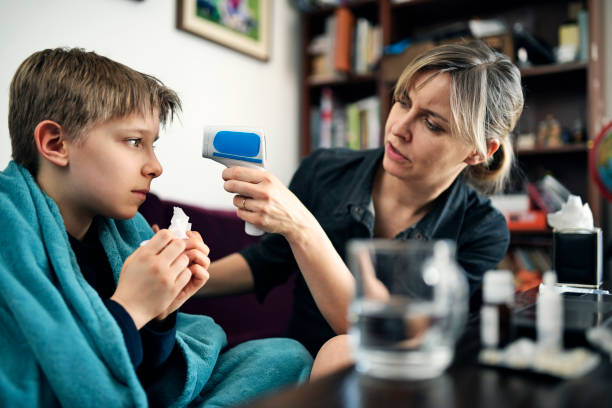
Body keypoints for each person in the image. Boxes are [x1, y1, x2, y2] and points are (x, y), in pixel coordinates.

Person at [0, 47, 312, 407]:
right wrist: (131, 308)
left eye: (153, 145)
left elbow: (148, 377)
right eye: (134, 142)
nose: (155, 166)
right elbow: (31, 387)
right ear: (55, 144)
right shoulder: (12, 232)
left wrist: (162, 313)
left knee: (284, 357)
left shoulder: (125, 232)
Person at [200, 40, 524, 367]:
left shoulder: (483, 230)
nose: (398, 128)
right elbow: (267, 262)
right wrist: (182, 279)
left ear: (479, 150)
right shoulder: (324, 169)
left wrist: (301, 226)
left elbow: (381, 334)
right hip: (298, 367)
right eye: (402, 102)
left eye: (432, 124)